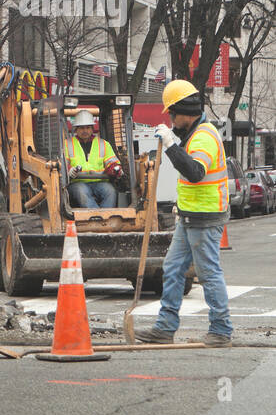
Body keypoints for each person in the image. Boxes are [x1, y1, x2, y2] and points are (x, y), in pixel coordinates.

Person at [138, 80, 232, 348]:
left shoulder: (204, 136)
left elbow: (194, 172)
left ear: (184, 111)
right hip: (190, 216)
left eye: (172, 113)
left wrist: (169, 145)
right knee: (173, 268)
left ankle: (221, 330)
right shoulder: (192, 134)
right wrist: (172, 142)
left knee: (208, 273)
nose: (170, 119)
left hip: (205, 218)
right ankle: (165, 328)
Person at [66, 109, 119, 208]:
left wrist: (115, 169)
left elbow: (112, 162)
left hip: (100, 182)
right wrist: (69, 170)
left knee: (110, 191)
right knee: (81, 192)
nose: (85, 131)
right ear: (76, 129)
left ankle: (105, 216)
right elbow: (62, 163)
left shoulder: (103, 144)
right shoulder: (67, 144)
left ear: (92, 129)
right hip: (77, 182)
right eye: (81, 128)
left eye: (88, 127)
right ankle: (98, 217)